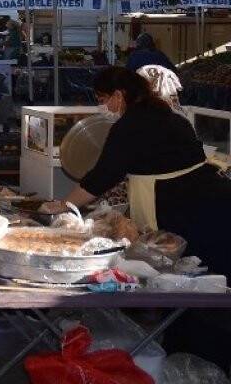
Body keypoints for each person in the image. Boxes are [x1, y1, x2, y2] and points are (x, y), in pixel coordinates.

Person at [46, 66, 231, 367]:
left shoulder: (132, 125)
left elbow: (99, 179)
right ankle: (189, 357)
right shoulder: (166, 115)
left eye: (103, 99)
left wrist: (62, 205)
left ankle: (195, 359)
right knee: (206, 284)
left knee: (196, 292)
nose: (102, 107)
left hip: (192, 210)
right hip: (210, 202)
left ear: (120, 96)